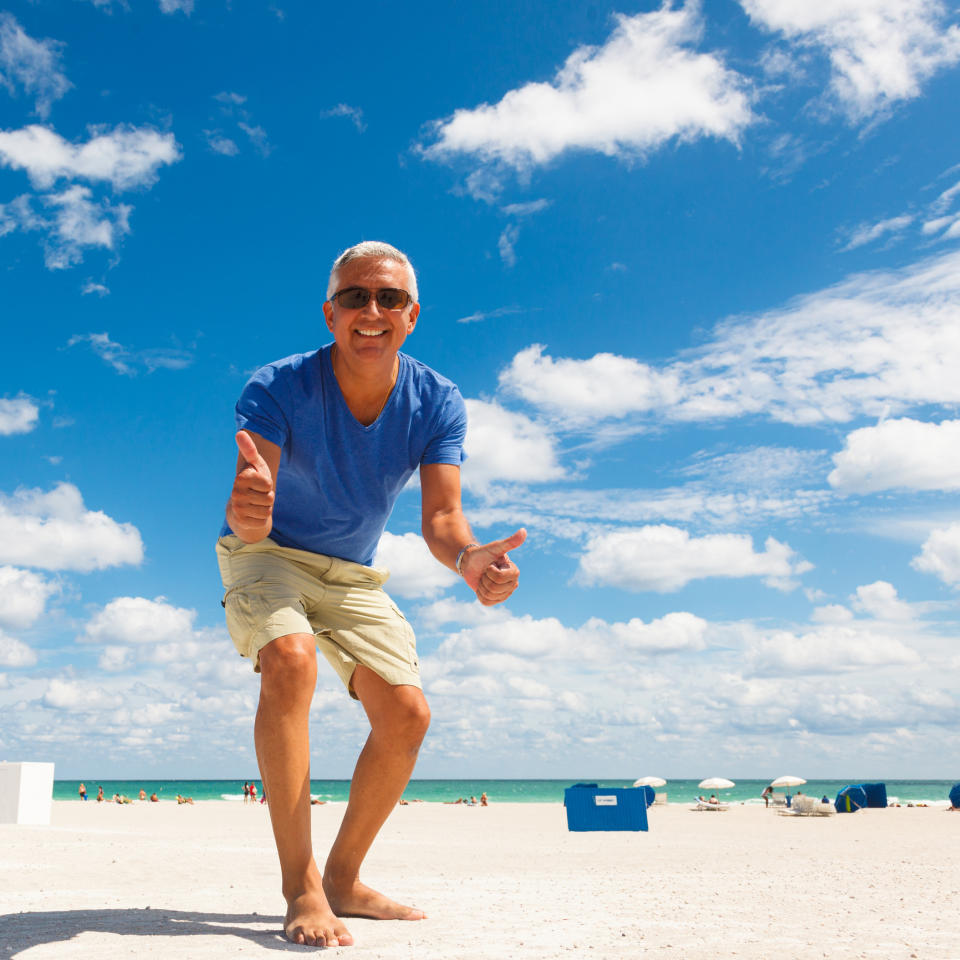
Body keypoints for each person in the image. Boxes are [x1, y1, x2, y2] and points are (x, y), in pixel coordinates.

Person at [217, 241, 524, 949]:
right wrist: (249, 511)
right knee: (290, 661)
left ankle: (346, 878)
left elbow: (443, 520)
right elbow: (246, 500)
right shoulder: (279, 385)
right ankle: (302, 887)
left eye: (389, 299)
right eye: (355, 297)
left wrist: (472, 561)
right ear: (331, 313)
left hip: (350, 573)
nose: (372, 311)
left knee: (407, 713)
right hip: (266, 556)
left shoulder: (437, 400)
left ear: (412, 317)